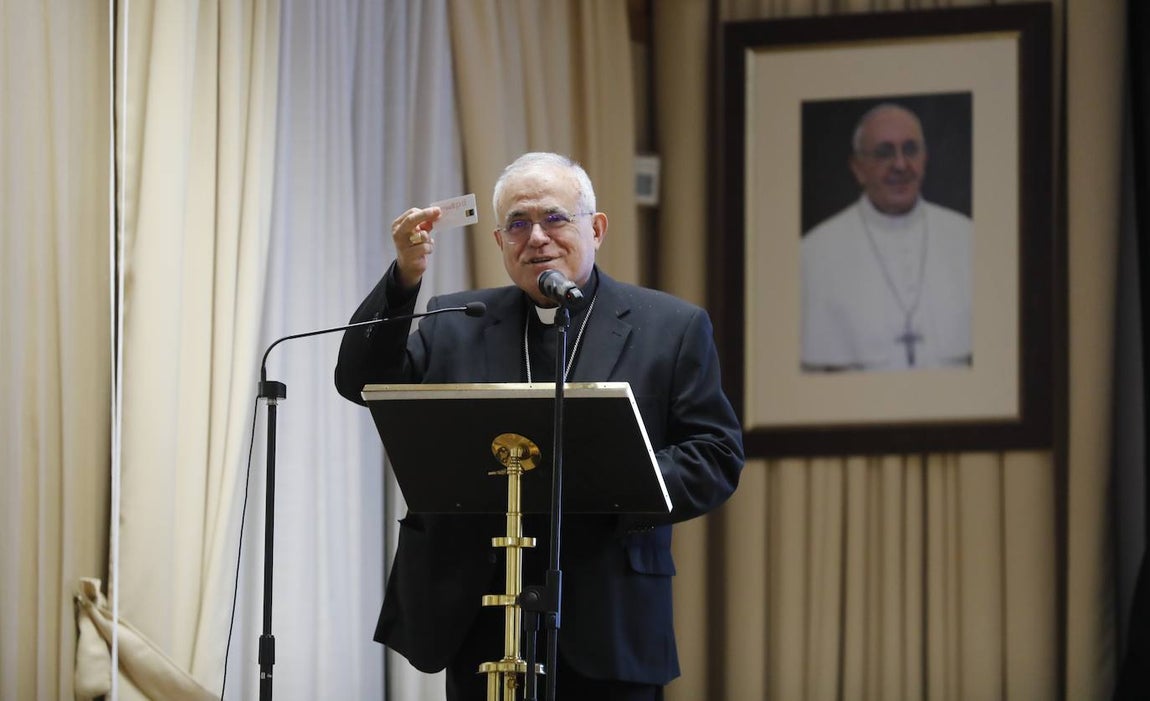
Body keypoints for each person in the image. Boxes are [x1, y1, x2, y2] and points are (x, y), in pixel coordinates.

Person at [334, 152, 744, 700]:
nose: (538, 238)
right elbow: (360, 380)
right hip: (475, 613)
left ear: (595, 229)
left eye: (555, 218)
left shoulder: (669, 327)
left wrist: (617, 475)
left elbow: (715, 454)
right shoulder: (458, 322)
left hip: (605, 616)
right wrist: (405, 278)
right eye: (519, 224)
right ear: (501, 242)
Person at [801, 102, 973, 372]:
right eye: (884, 153)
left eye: (910, 149)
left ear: (925, 159)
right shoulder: (812, 253)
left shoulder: (969, 238)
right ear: (858, 167)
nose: (900, 164)